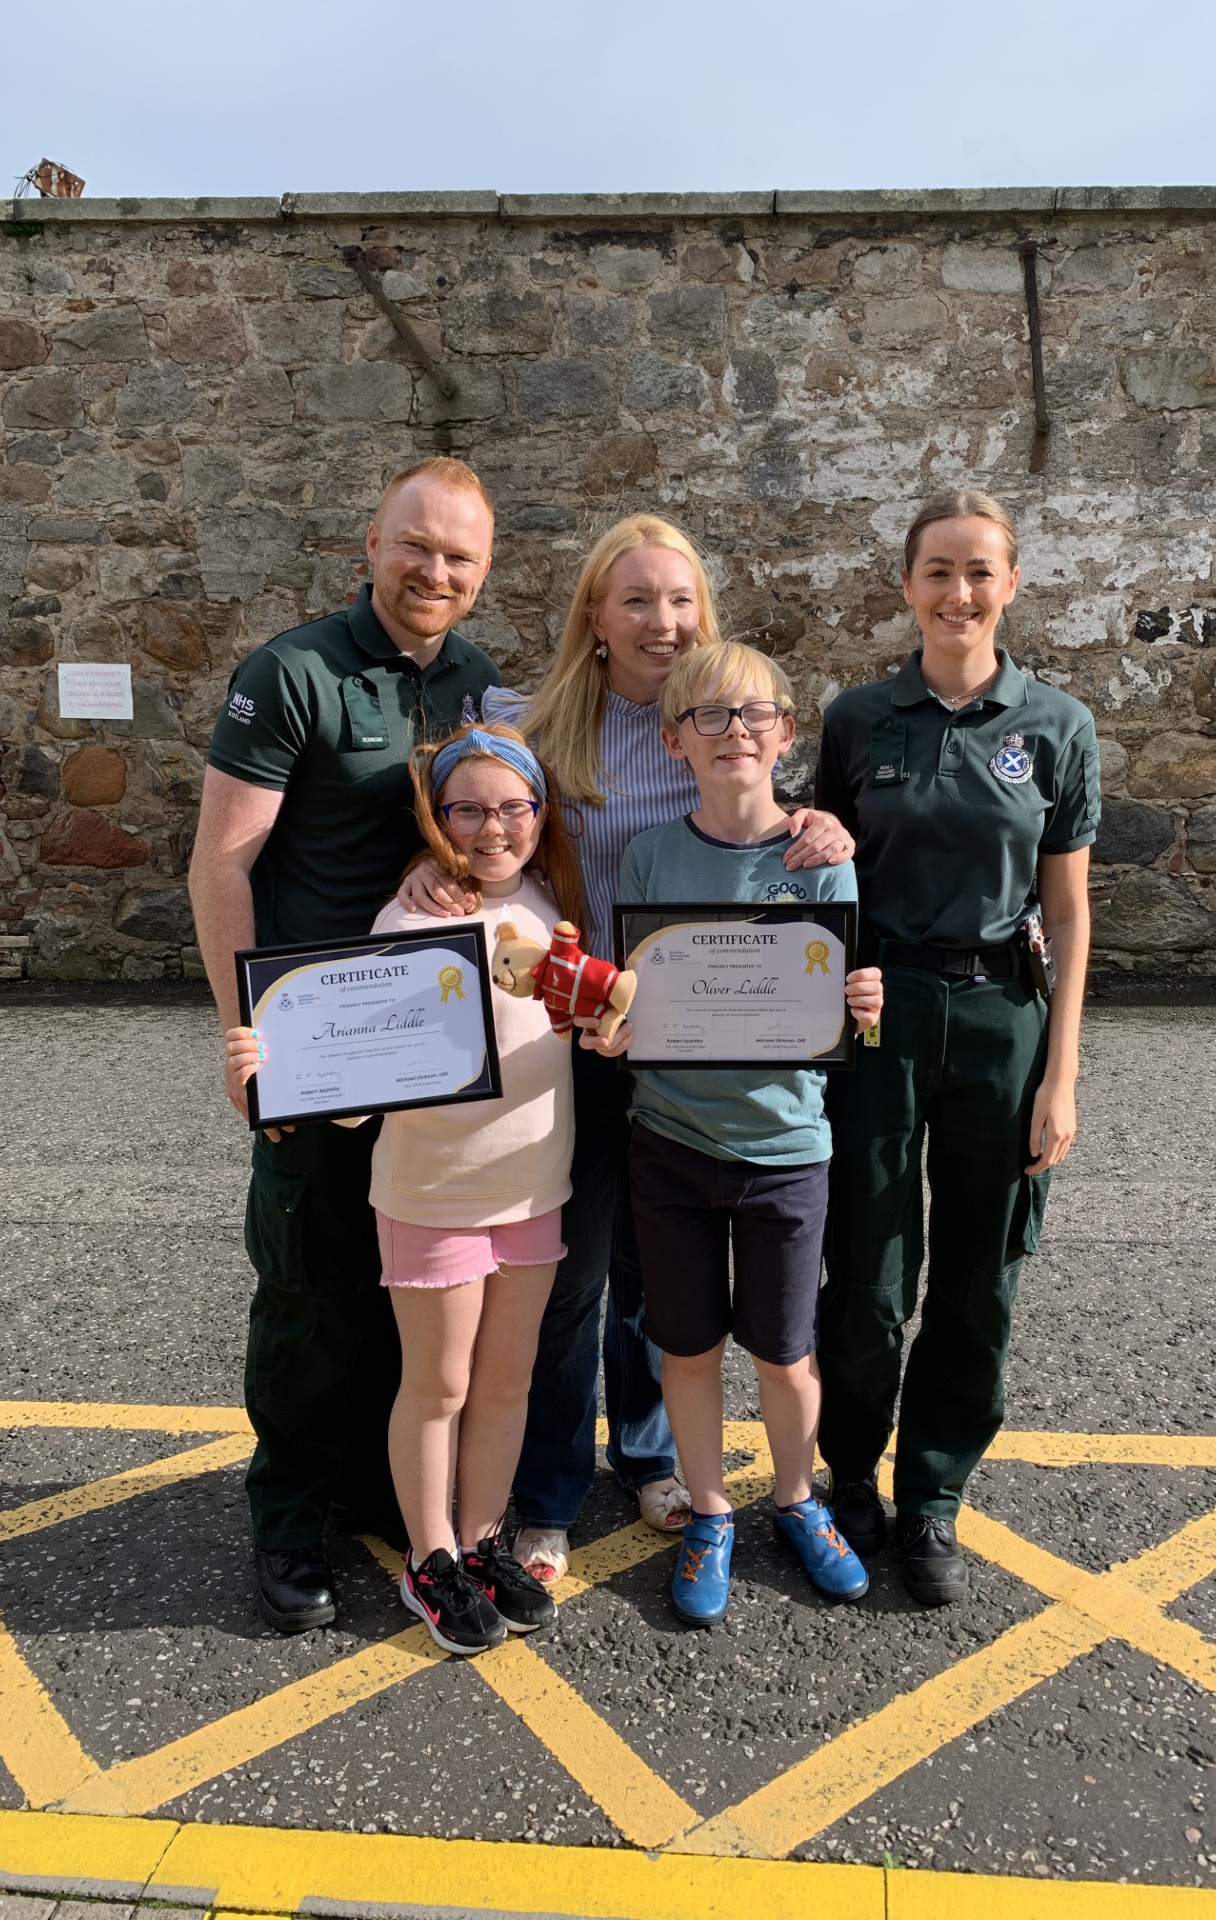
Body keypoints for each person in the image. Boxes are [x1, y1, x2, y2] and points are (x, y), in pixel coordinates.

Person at [405, 515, 853, 1586]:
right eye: (639, 600)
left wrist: (821, 824)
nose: (664, 620)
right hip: (565, 1039)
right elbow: (473, 812)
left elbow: (764, 828)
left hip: (688, 1048)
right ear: (596, 620)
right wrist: (433, 871)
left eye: (681, 599)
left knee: (661, 1282)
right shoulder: (532, 720)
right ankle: (552, 1490)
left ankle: (652, 1458)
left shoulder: (718, 718)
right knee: (567, 1279)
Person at [188, 457, 500, 1633]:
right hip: (320, 1044)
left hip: (435, 1049)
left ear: (480, 576)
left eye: (458, 557)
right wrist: (243, 1031)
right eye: (415, 545)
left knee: (406, 1282)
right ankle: (289, 1518)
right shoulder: (294, 672)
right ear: (370, 542)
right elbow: (221, 862)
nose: (434, 570)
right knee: (310, 1288)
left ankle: (376, 1488)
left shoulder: (476, 682)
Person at [224, 722, 581, 1655]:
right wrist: (292, 1080)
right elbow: (363, 1075)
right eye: (468, 809)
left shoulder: (555, 904)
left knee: (506, 1382)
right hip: (432, 1192)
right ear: (437, 817)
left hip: (537, 1185)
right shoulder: (411, 919)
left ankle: (480, 1539)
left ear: (542, 814)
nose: (493, 828)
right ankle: (431, 1558)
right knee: (439, 1385)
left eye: (514, 808)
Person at [813, 489, 1099, 1609]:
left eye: (979, 572)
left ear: (1011, 586)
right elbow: (820, 878)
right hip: (879, 1013)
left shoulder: (1056, 726)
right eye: (938, 571)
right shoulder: (854, 720)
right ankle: (850, 1476)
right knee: (870, 1269)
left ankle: (934, 1488)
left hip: (1001, 1016)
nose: (958, 593)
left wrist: (1062, 1076)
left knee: (981, 1273)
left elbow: (1068, 914)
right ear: (907, 587)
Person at [592, 642, 884, 1626]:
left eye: (754, 714)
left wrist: (868, 1008)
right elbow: (631, 987)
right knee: (685, 1345)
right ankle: (711, 1508)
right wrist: (615, 1025)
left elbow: (846, 1017)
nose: (733, 733)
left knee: (785, 1351)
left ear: (786, 733)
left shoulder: (820, 859)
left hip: (786, 1148)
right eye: (707, 717)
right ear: (675, 741)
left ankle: (796, 1498)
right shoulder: (649, 857)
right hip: (669, 1140)